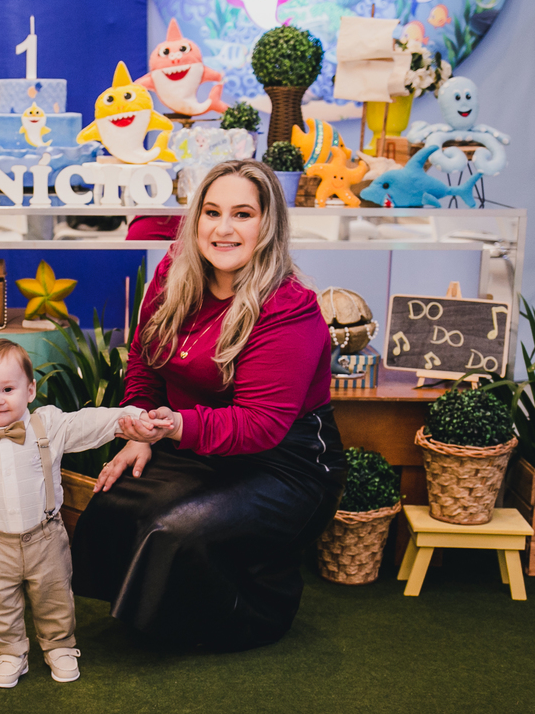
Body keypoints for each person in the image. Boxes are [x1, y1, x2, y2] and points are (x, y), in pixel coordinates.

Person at [71, 159, 347, 651]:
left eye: (243, 214)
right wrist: (138, 431)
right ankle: (160, 602)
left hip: (285, 462)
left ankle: (259, 608)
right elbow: (145, 359)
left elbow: (260, 424)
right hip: (196, 440)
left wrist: (175, 426)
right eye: (212, 212)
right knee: (114, 502)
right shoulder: (173, 274)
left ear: (268, 224)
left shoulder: (289, 307)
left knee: (175, 532)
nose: (223, 229)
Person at [0, 339, 169, 688]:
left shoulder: (48, 424)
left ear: (30, 390)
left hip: (46, 536)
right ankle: (9, 651)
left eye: (7, 389)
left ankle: (60, 645)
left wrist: (130, 419)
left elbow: (88, 422)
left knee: (54, 597)